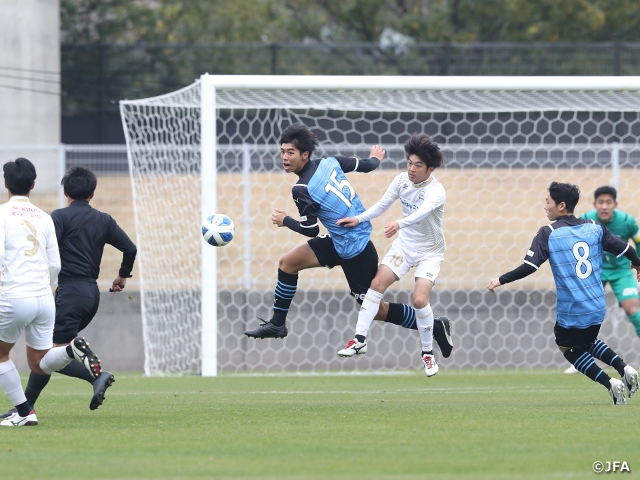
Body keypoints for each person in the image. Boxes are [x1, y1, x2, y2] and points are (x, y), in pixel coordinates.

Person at [244, 123, 453, 357]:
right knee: (287, 263)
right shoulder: (330, 161)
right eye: (282, 151)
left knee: (378, 310)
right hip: (338, 240)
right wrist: (375, 159)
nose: (284, 157)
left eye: (290, 152)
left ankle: (435, 326)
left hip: (357, 251)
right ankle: (277, 324)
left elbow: (310, 229)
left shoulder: (301, 188)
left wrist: (286, 220)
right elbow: (367, 166)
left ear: (305, 155)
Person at [0, 165, 137, 419]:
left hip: (68, 292)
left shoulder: (59, 218)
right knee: (45, 355)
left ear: (65, 191)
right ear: (92, 194)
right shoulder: (104, 220)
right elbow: (130, 248)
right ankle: (25, 407)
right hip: (91, 294)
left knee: (48, 355)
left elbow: (48, 254)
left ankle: (94, 376)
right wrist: (122, 276)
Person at [487, 182, 640, 405]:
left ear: (561, 205)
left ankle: (611, 383)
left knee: (567, 348)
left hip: (572, 309)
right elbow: (627, 249)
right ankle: (624, 368)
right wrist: (637, 264)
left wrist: (500, 279)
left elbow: (530, 266)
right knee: (587, 342)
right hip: (597, 305)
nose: (544, 207)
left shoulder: (548, 233)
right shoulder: (595, 227)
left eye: (547, 202)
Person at [336, 133, 446, 377]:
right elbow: (382, 205)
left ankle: (427, 354)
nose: (411, 169)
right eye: (409, 162)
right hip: (404, 247)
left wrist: (399, 223)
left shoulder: (436, 192)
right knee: (376, 285)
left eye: (418, 165)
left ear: (430, 169)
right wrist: (358, 218)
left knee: (419, 300)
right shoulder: (401, 181)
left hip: (430, 252)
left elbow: (422, 213)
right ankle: (359, 340)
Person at [565, 186, 640, 374]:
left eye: (608, 202)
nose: (604, 206)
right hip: (595, 271)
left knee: (633, 309)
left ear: (615, 204)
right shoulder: (586, 219)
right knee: (585, 312)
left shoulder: (627, 221)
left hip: (621, 271)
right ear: (595, 204)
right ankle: (581, 356)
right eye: (601, 202)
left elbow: (638, 241)